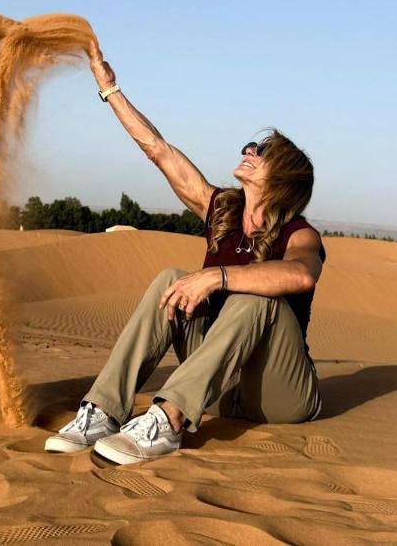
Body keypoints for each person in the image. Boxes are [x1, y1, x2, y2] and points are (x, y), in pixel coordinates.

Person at [44, 42, 325, 464]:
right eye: (250, 145)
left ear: (284, 178)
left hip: (280, 394)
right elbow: (158, 149)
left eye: (261, 152)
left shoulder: (299, 233)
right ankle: (103, 409)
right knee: (171, 278)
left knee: (256, 297)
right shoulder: (222, 211)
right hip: (217, 388)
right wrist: (110, 90)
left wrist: (217, 276)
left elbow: (301, 275)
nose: (248, 151)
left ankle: (169, 421)